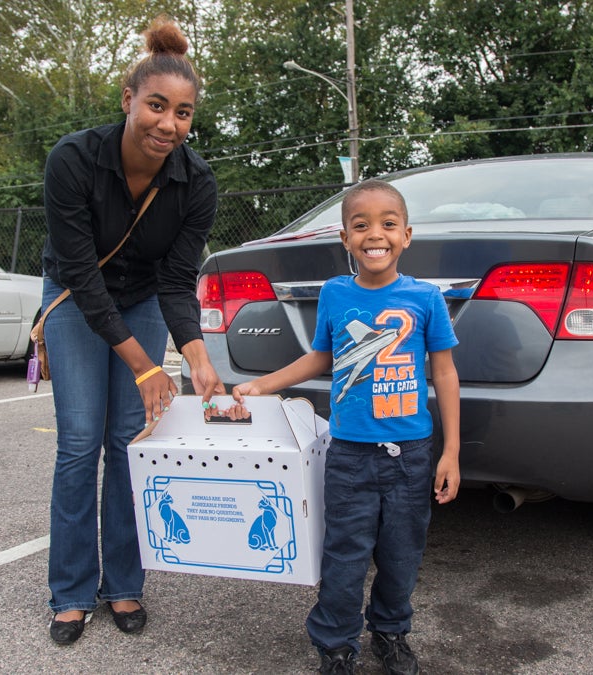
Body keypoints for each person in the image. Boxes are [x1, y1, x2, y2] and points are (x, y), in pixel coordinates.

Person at [226, 179, 461, 675]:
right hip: (351, 456)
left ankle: (391, 633)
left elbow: (444, 373)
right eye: (362, 226)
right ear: (345, 238)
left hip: (412, 454)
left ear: (407, 235)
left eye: (388, 224)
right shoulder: (335, 294)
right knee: (345, 558)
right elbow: (321, 358)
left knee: (401, 557)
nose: (375, 235)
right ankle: (335, 645)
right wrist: (262, 385)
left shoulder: (425, 298)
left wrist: (451, 453)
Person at [40, 16, 223, 646]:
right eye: (155, 106)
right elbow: (83, 280)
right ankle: (68, 590)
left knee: (128, 441)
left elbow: (177, 281)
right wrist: (145, 365)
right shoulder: (73, 160)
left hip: (143, 298)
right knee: (80, 441)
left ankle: (123, 583)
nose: (168, 125)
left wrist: (195, 355)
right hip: (73, 297)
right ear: (128, 101)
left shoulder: (195, 182)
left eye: (183, 113)